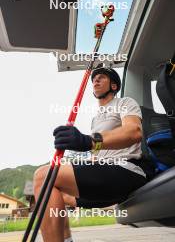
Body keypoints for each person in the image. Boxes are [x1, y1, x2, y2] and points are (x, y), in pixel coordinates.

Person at [34, 63, 149, 242]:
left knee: (44, 176)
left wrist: (88, 141)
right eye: (94, 78)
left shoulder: (125, 102)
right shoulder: (96, 118)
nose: (95, 80)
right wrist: (81, 153)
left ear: (113, 85)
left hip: (126, 171)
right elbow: (96, 158)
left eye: (101, 77)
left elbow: (134, 132)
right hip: (104, 176)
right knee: (56, 195)